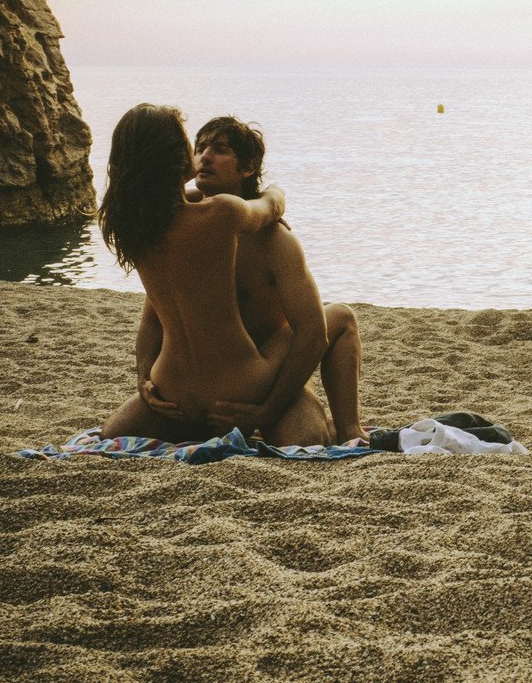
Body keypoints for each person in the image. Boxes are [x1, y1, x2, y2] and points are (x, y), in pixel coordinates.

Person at [131, 115, 364, 446]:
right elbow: (153, 318)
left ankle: (349, 428)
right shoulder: (184, 226)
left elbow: (311, 335)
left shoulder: (274, 240)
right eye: (200, 148)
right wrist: (144, 379)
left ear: (248, 167)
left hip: (270, 374)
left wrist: (267, 410)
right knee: (114, 430)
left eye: (220, 149)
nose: (204, 157)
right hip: (209, 379)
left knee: (308, 436)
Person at [97, 103, 297, 444]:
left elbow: (150, 322)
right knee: (316, 323)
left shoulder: (135, 226)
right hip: (236, 385)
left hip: (172, 389)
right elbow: (271, 207)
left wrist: (143, 379)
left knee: (110, 434)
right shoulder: (221, 213)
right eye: (189, 141)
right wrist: (273, 191)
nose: (199, 152)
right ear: (177, 155)